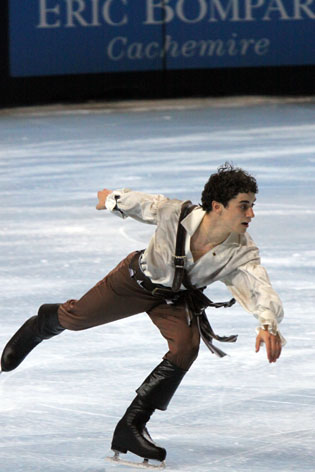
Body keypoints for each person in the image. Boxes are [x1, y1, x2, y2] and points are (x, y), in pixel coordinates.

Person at [1, 163, 285, 465]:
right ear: (217, 206)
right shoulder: (176, 213)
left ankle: (131, 426)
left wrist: (267, 323)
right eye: (244, 206)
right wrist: (111, 199)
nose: (251, 214)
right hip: (134, 283)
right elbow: (144, 204)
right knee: (77, 319)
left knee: (186, 347)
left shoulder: (243, 250)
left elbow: (258, 286)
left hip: (174, 299)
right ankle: (42, 323)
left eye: (252, 206)